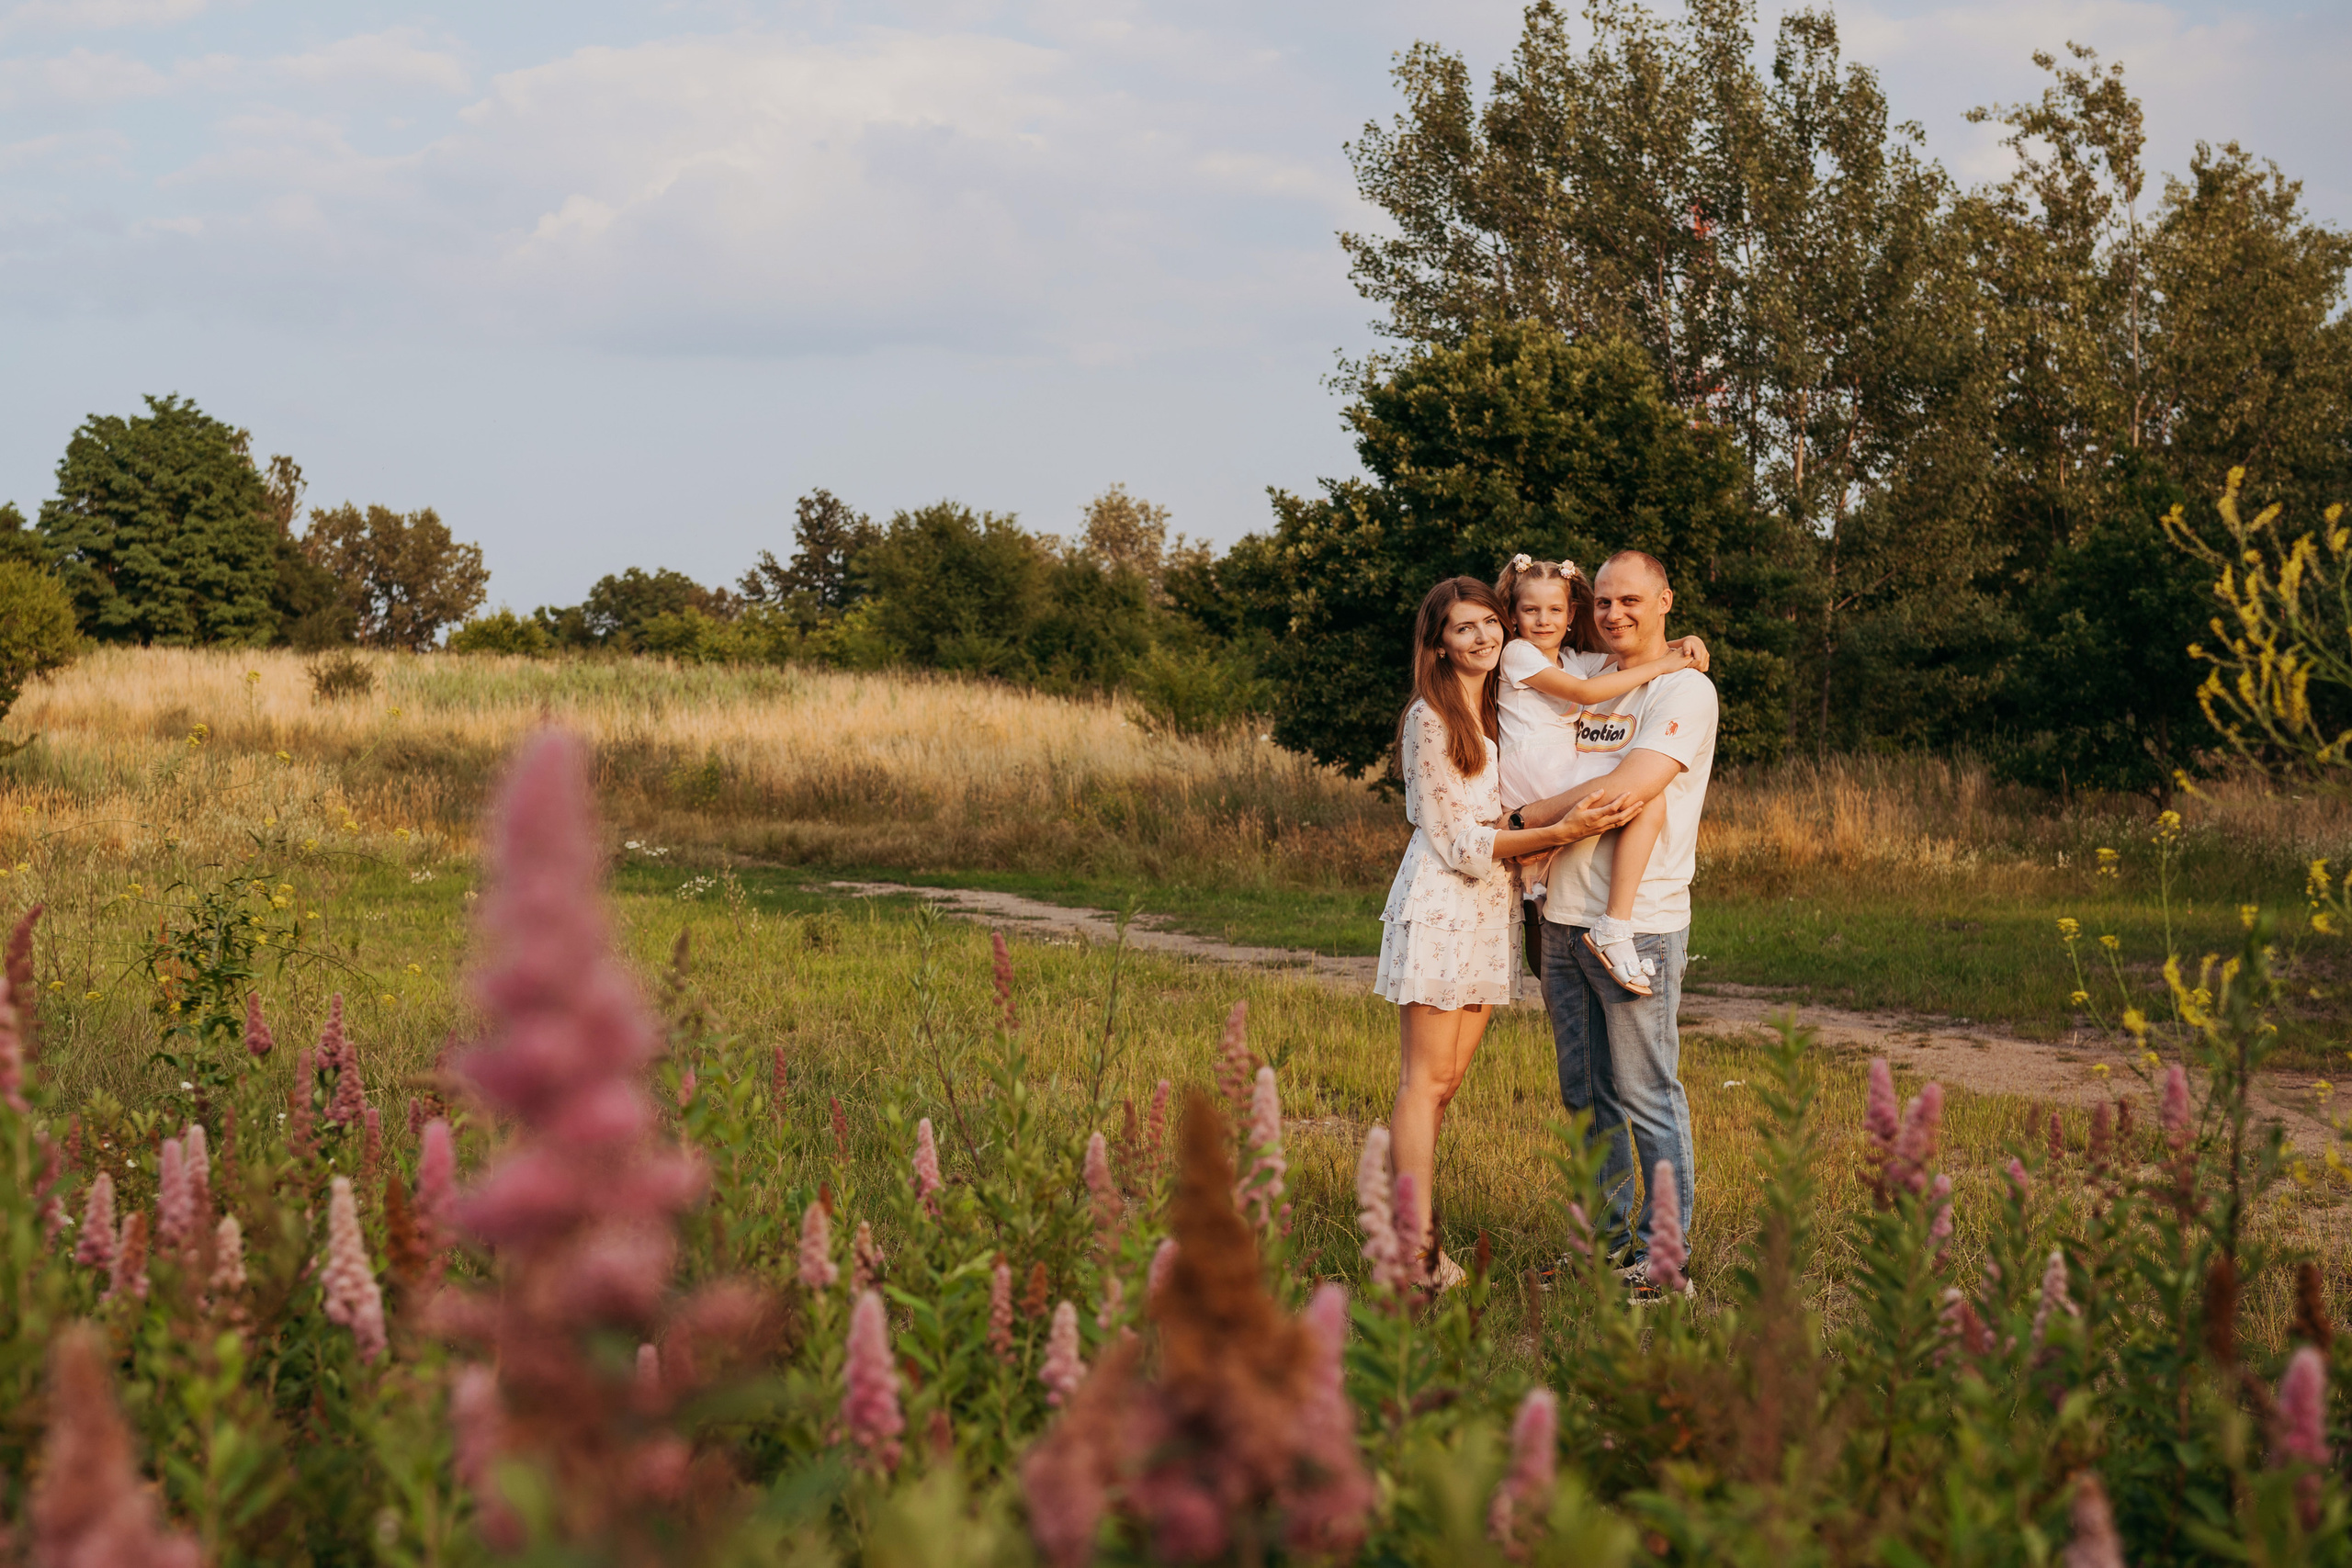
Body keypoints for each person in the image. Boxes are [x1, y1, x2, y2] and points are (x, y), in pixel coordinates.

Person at [1374, 576, 1645, 1290]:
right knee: (1423, 1084)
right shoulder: (1430, 719)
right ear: (1438, 643)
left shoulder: (1492, 705)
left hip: (1491, 910)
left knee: (1446, 1085)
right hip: (1443, 907)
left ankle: (1410, 1236)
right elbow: (1462, 841)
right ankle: (1413, 1255)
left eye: (1489, 623)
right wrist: (1563, 829)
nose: (1483, 637)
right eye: (1463, 628)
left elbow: (1586, 676)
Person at [1518, 551, 1718, 1303]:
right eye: (1602, 601)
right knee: (1585, 1096)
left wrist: (1517, 820)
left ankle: (1665, 1266)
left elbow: (1629, 789)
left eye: (1630, 599)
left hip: (1637, 926)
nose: (1614, 613)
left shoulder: (1683, 688)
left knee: (1646, 1093)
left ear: (1665, 600)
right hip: (1560, 918)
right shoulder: (1586, 674)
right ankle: (1602, 1251)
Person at [1490, 553, 1709, 997]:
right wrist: (1665, 661)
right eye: (1531, 610)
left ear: (1571, 614)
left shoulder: (1579, 661)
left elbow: (1621, 659)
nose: (1544, 620)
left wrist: (1683, 644)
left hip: (1644, 916)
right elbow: (1588, 691)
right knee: (1643, 802)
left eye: (1555, 609)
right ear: (1513, 616)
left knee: (1645, 798)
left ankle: (1610, 920)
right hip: (1539, 779)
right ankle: (1566, 910)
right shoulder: (1518, 654)